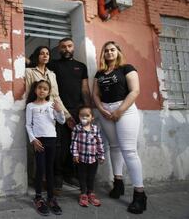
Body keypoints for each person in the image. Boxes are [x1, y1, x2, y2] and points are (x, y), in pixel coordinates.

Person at [92, 41, 147, 214]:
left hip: (125, 110)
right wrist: (101, 109)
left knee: (129, 151)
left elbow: (135, 91)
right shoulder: (99, 73)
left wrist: (119, 111)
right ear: (103, 54)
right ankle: (118, 183)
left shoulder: (127, 68)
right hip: (106, 111)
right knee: (114, 147)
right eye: (106, 50)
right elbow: (95, 94)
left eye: (112, 50)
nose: (109, 52)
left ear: (118, 52)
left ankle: (140, 195)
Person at [47, 38, 91, 192]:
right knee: (60, 145)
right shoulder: (53, 65)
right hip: (59, 110)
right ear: (59, 49)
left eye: (69, 46)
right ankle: (58, 175)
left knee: (76, 144)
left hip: (78, 110)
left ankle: (70, 174)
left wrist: (88, 109)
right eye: (63, 47)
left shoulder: (81, 66)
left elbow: (85, 89)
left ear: (74, 48)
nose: (66, 49)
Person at [25, 80, 65, 216]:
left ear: (49, 92)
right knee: (40, 168)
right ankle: (38, 197)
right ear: (35, 90)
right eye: (39, 88)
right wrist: (33, 140)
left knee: (49, 169)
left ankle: (51, 198)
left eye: (45, 89)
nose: (42, 90)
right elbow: (28, 125)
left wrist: (59, 111)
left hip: (51, 139)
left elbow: (61, 121)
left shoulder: (51, 105)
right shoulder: (30, 106)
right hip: (39, 141)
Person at [70, 105, 105, 207]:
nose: (84, 118)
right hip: (81, 158)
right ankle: (83, 194)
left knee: (91, 176)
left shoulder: (95, 129)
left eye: (87, 115)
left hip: (93, 159)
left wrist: (101, 155)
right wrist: (75, 154)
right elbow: (74, 142)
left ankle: (91, 193)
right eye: (82, 115)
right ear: (78, 117)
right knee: (82, 176)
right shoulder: (77, 128)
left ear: (92, 117)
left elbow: (99, 142)